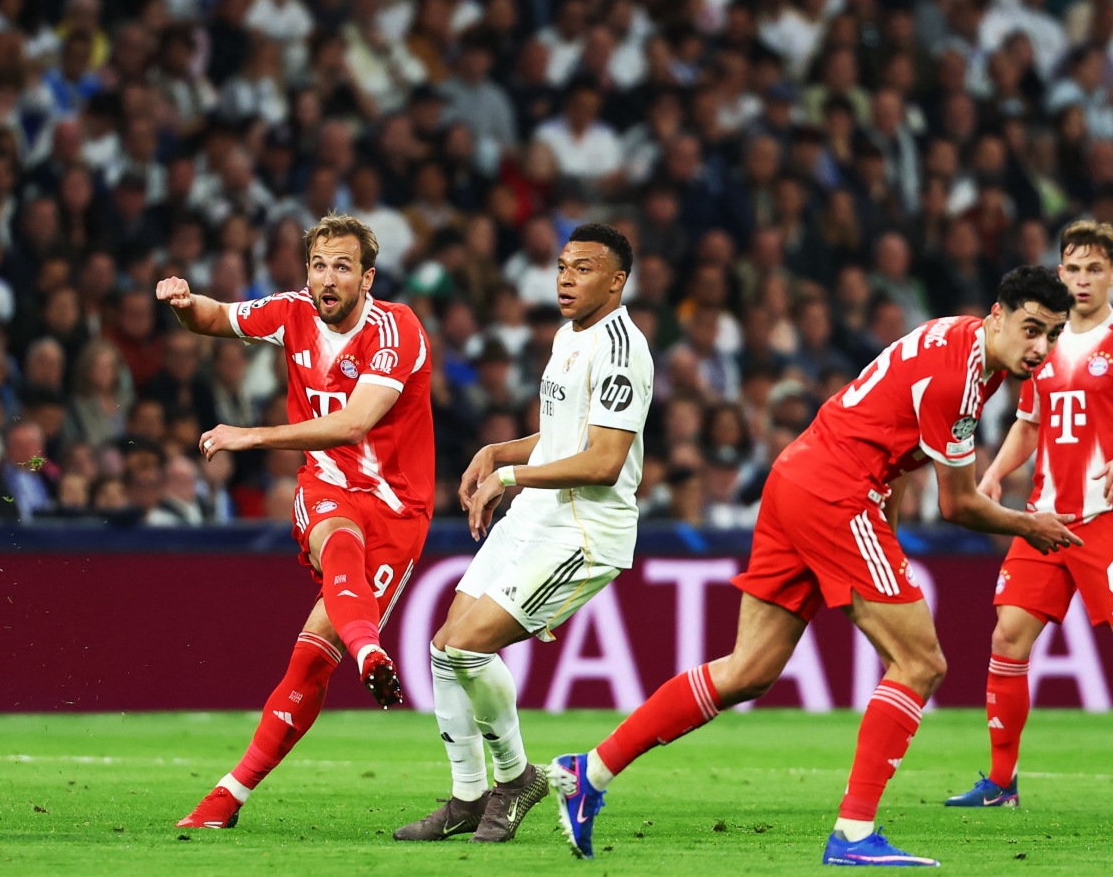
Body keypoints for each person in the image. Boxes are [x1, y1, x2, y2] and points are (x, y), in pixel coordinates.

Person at [548, 265, 1082, 866]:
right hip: (836, 492)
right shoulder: (959, 380)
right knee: (922, 662)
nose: (1040, 347)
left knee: (748, 670)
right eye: (1032, 329)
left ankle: (588, 772)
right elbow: (958, 505)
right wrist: (1027, 524)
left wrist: (890, 543)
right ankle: (854, 835)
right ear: (998, 316)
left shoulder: (957, 338)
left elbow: (902, 451)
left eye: (1054, 335)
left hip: (797, 476)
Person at [159, 214, 435, 828]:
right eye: (318, 265)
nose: (327, 279)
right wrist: (182, 302)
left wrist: (248, 436)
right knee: (336, 534)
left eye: (342, 266)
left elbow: (354, 423)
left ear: (368, 277)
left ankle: (230, 796)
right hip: (329, 486)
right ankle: (368, 652)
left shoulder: (398, 330)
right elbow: (215, 317)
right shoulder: (291, 313)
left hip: (398, 508)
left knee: (311, 661)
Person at [394, 223, 652, 844]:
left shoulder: (622, 349)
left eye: (583, 269)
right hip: (537, 513)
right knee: (443, 648)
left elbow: (602, 461)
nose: (565, 278)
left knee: (466, 647)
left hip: (585, 529)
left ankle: (515, 781)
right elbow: (562, 437)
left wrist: (509, 474)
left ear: (617, 282)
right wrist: (498, 449)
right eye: (563, 266)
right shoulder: (568, 336)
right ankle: (466, 795)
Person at [947, 222, 1113, 808]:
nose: (1082, 279)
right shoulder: (1044, 342)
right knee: (1008, 637)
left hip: (1106, 521)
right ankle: (1000, 782)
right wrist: (994, 473)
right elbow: (1030, 422)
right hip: (1045, 520)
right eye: (1073, 268)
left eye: (1094, 268)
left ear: (1111, 274)